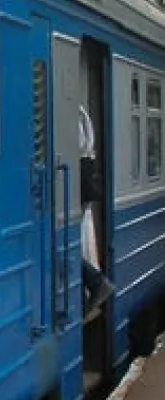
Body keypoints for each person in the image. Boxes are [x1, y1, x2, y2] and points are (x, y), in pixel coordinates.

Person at [78, 103, 115, 322]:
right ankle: (94, 285)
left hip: (80, 180)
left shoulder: (75, 115)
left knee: (70, 243)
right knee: (77, 240)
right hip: (84, 177)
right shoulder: (82, 112)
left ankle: (96, 283)